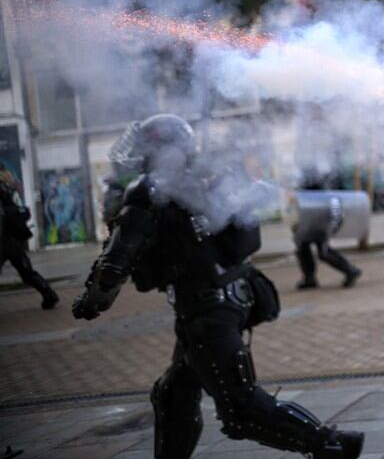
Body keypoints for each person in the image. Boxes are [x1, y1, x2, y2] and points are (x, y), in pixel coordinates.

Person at [71, 115, 363, 459]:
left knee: (240, 408)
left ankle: (331, 445)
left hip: (205, 310)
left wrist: (91, 302)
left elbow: (115, 263)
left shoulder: (149, 191)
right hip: (231, 297)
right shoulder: (204, 178)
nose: (137, 153)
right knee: (174, 394)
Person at [288, 171, 361, 290]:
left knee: (321, 250)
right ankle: (309, 278)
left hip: (317, 210)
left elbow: (313, 189)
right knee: (303, 246)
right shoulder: (310, 167)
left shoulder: (312, 168)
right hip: (315, 209)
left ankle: (350, 270)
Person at [0, 164, 59, 309]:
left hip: (5, 238)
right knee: (26, 271)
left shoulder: (5, 189)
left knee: (26, 271)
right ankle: (49, 294)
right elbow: (22, 212)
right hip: (13, 238)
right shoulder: (10, 188)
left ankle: (49, 295)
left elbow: (13, 211)